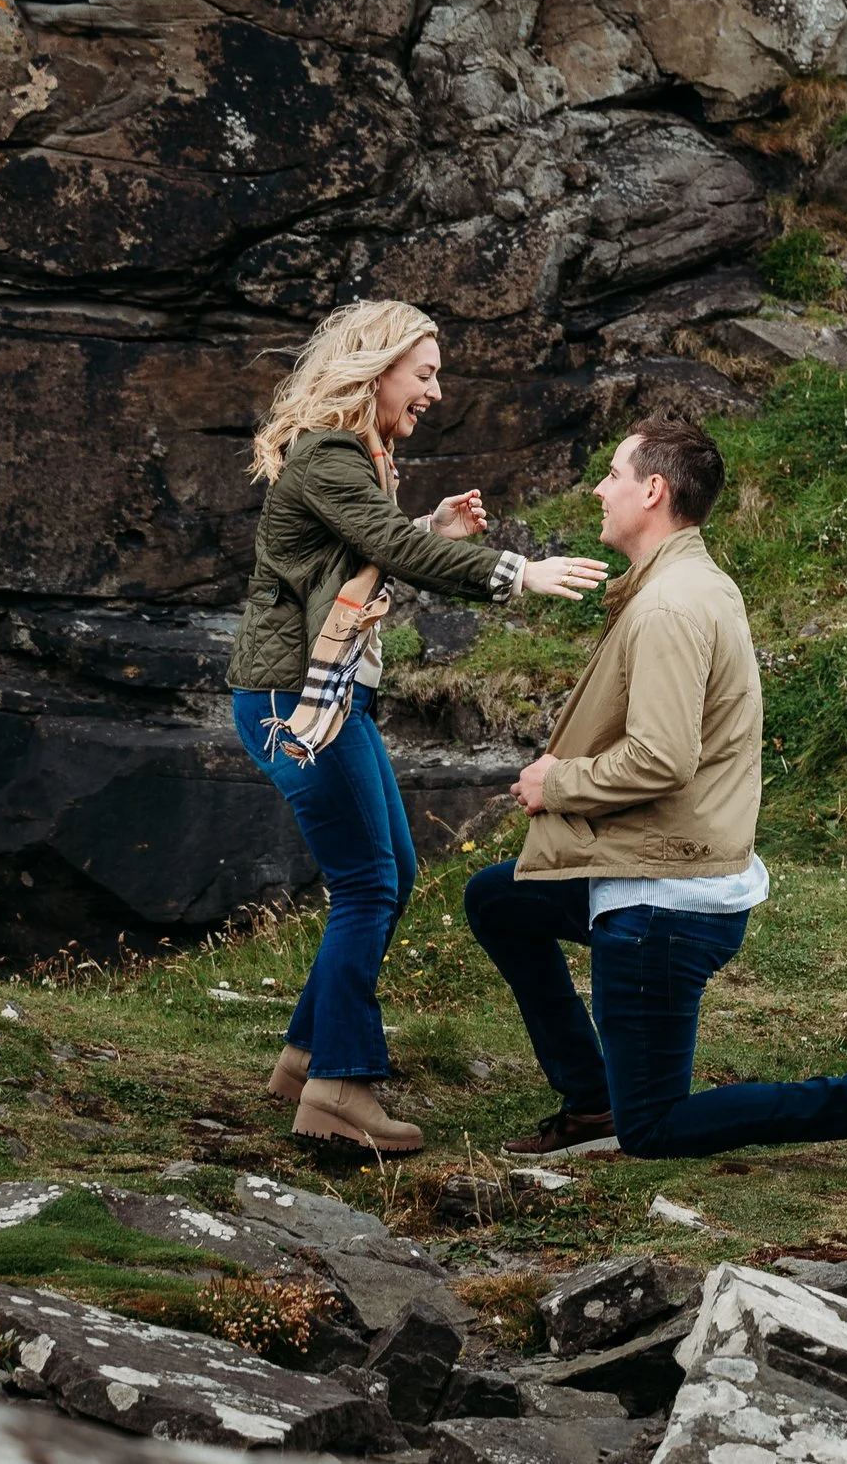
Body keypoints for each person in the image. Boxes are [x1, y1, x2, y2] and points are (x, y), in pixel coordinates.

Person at [463, 417, 847, 1189]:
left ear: (653, 490)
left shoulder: (668, 607)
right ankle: (592, 1099)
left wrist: (555, 783)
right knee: (498, 898)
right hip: (664, 865)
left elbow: (660, 757)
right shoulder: (692, 582)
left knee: (653, 1127)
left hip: (664, 899)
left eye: (613, 473)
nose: (599, 486)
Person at [228, 299, 609, 1154]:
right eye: (425, 372)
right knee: (368, 881)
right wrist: (519, 569)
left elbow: (370, 550)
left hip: (321, 698)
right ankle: (339, 1087)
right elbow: (388, 552)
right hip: (299, 702)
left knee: (387, 869)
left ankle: (303, 1057)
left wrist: (429, 528)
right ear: (375, 368)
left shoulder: (357, 460)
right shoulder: (330, 456)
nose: (435, 391)